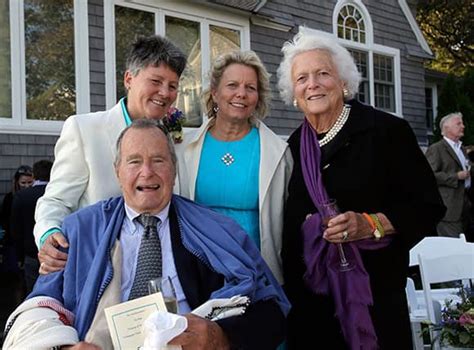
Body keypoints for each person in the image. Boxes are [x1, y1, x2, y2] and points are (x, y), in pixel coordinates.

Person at [3, 119, 289, 349]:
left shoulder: (217, 231)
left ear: (174, 171)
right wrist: (66, 347)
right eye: (134, 161)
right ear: (117, 172)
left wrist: (220, 337)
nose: (147, 172)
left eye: (159, 161)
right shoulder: (80, 230)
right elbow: (39, 306)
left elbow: (271, 312)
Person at [276, 32, 445, 349]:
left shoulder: (386, 132)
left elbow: (428, 207)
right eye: (302, 78)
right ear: (294, 94)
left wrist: (372, 224)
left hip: (374, 302)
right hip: (312, 307)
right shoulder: (293, 148)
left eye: (323, 73)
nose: (312, 83)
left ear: (343, 81)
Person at [34, 35, 187, 273]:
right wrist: (49, 235)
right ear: (129, 79)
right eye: (156, 81)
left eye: (173, 85)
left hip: (164, 270)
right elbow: (55, 201)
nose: (165, 93)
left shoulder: (173, 140)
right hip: (100, 274)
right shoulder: (84, 130)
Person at [176, 50, 293, 284]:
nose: (241, 94)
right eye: (232, 85)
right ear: (215, 92)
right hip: (198, 272)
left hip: (255, 274)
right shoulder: (182, 148)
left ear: (258, 97)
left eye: (250, 88)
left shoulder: (278, 152)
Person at [425, 112, 472, 238]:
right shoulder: (437, 149)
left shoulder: (461, 149)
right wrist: (456, 176)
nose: (463, 126)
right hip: (448, 209)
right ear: (447, 128)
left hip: (465, 206)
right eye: (458, 124)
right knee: (453, 246)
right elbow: (428, 175)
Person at [11, 159, 53, 294]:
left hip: (31, 254)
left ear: (34, 176)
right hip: (55, 254)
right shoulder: (59, 196)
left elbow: (16, 230)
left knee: (33, 292)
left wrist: (19, 257)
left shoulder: (21, 196)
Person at [1, 165, 34, 246]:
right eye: (23, 183)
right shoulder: (10, 198)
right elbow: (5, 219)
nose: (27, 186)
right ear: (17, 182)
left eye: (30, 182)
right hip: (13, 239)